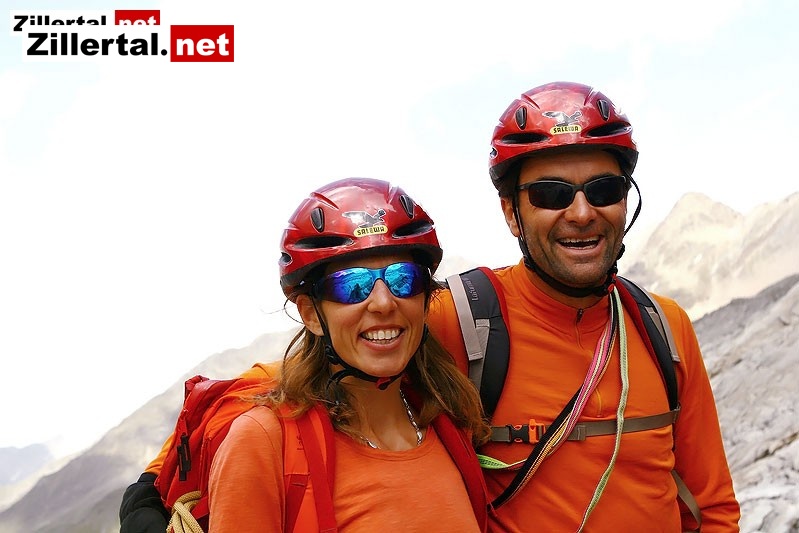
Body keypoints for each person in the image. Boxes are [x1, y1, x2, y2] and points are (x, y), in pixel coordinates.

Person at [425, 81, 740, 531]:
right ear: (512, 213)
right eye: (551, 194)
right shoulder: (455, 320)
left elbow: (712, 510)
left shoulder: (665, 326)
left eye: (604, 189)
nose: (581, 213)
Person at [122, 177, 490, 532]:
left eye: (403, 279)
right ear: (311, 314)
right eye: (351, 285)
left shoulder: (450, 423)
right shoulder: (262, 442)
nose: (383, 302)